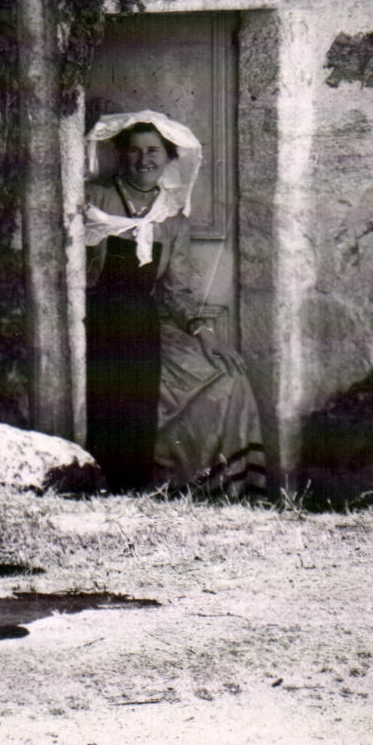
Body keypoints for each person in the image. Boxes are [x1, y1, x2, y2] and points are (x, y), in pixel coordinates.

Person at [81, 110, 268, 497]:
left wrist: (205, 333)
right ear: (120, 154)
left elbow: (175, 290)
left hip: (144, 323)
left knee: (226, 378)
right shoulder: (94, 198)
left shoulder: (172, 217)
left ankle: (143, 489)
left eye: (153, 151)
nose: (143, 160)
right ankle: (94, 486)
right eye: (133, 151)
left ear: (167, 158)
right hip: (92, 321)